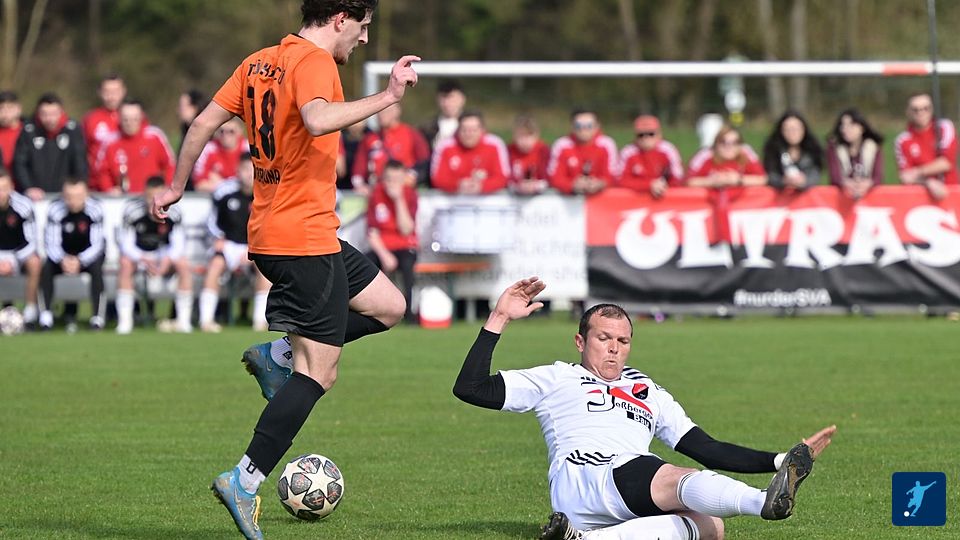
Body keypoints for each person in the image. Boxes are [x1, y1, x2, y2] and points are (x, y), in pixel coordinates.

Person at [149, 2, 418, 538]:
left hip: (283, 233)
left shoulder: (258, 61)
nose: (363, 40)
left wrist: (177, 186)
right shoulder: (316, 62)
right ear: (340, 18)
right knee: (320, 373)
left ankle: (277, 355)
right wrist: (388, 97)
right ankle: (244, 481)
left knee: (390, 306)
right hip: (303, 240)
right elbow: (317, 118)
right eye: (363, 27)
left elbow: (202, 123)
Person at [453, 277, 837, 540]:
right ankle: (761, 502)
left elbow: (705, 447)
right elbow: (471, 388)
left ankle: (583, 539)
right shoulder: (557, 377)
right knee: (672, 475)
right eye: (603, 338)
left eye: (623, 341)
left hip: (626, 490)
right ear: (580, 342)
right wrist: (499, 318)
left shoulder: (646, 389)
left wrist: (781, 460)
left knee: (710, 526)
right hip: (583, 478)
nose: (614, 348)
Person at [198, 153, 270, 333]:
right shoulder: (224, 191)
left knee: (265, 270)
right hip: (229, 244)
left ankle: (259, 321)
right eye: (245, 169)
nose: (249, 174)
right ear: (238, 171)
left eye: (253, 170)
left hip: (256, 246)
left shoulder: (267, 192)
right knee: (215, 265)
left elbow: (271, 224)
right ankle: (206, 320)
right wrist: (218, 239)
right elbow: (211, 221)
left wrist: (254, 247)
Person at [117, 176, 193, 335]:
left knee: (183, 264)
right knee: (125, 263)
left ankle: (184, 321)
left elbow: (178, 245)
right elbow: (126, 245)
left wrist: (166, 260)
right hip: (140, 256)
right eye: (150, 197)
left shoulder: (175, 213)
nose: (155, 203)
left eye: (159, 198)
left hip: (164, 256)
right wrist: (142, 258)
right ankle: (125, 323)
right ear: (144, 194)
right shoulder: (131, 210)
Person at [39, 178, 106, 332]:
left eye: (78, 196)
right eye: (69, 197)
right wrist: (63, 260)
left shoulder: (96, 209)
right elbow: (51, 243)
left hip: (88, 255)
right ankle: (45, 317)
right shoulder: (55, 209)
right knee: (46, 268)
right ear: (63, 195)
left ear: (86, 195)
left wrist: (80, 261)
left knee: (97, 268)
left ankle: (97, 318)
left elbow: (97, 244)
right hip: (63, 255)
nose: (73, 201)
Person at [366, 160, 418, 323]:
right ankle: (372, 312)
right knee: (366, 263)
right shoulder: (376, 194)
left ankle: (409, 314)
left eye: (397, 180)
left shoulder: (410, 194)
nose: (392, 184)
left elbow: (406, 229)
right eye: (389, 179)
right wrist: (385, 255)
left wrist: (398, 199)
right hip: (383, 247)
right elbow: (372, 232)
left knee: (408, 264)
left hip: (404, 246)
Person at [13, 93, 87, 201]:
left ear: (61, 112)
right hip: (35, 198)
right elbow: (20, 163)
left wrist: (76, 187)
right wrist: (28, 187)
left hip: (66, 197)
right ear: (38, 113)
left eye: (53, 114)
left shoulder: (73, 129)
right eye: (44, 114)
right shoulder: (28, 130)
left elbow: (80, 162)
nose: (49, 118)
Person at [94, 100, 175, 194]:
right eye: (126, 119)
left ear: (141, 117)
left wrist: (167, 187)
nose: (130, 123)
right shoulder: (110, 142)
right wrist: (108, 189)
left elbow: (170, 165)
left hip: (152, 197)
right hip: (122, 199)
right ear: (119, 118)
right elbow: (101, 172)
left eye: (134, 119)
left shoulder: (154, 136)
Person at [350, 103, 429, 194]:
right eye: (379, 111)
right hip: (377, 193)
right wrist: (359, 185)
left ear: (397, 111)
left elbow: (425, 162)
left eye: (386, 111)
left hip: (403, 192)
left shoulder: (411, 134)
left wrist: (412, 176)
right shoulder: (369, 138)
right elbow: (358, 169)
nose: (381, 115)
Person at [895, 92, 957, 200]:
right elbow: (906, 177)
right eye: (915, 110)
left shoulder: (944, 127)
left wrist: (917, 172)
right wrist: (928, 182)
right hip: (919, 199)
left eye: (925, 108)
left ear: (932, 109)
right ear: (908, 112)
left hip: (951, 193)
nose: (921, 113)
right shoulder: (902, 140)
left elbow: (946, 162)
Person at [430, 110, 509, 194]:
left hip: (489, 199)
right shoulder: (445, 146)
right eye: (464, 130)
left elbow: (502, 177)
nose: (469, 134)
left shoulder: (495, 145)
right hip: (453, 199)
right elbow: (437, 178)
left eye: (473, 130)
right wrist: (458, 185)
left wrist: (482, 186)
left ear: (482, 130)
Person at [0, 168, 41, 327]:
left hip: (18, 254)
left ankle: (30, 312)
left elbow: (31, 241)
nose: (0, 194)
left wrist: (12, 262)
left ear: (11, 187)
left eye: (4, 189)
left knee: (35, 262)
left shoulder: (24, 206)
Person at [548, 109, 619, 195]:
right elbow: (554, 177)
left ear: (597, 126)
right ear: (572, 127)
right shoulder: (562, 145)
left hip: (601, 199)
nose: (583, 130)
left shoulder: (607, 144)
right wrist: (572, 185)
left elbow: (613, 176)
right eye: (578, 126)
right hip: (569, 199)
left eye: (589, 126)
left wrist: (600, 184)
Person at [617, 115, 683, 198]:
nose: (646, 138)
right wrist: (649, 185)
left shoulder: (668, 150)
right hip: (635, 200)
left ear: (659, 135)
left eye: (651, 134)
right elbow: (621, 180)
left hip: (665, 199)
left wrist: (662, 186)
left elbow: (678, 178)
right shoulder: (628, 152)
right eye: (641, 135)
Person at [826, 108, 884, 201]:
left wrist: (867, 184)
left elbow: (877, 176)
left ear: (862, 128)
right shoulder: (834, 147)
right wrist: (848, 183)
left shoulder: (873, 147)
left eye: (851, 125)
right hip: (841, 199)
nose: (846, 129)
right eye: (843, 125)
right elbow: (835, 176)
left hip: (869, 199)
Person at [762, 111, 823, 192]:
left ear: (804, 129)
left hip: (807, 197)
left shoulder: (812, 152)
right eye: (787, 129)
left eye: (796, 129)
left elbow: (815, 175)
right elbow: (770, 175)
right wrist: (783, 181)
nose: (792, 133)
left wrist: (804, 181)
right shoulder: (774, 151)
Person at [82, 74, 127, 183]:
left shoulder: (133, 117)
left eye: (116, 91)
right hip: (97, 184)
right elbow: (82, 152)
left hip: (129, 182)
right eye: (107, 92)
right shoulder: (91, 119)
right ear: (100, 92)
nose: (111, 96)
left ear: (123, 91)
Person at [192, 117, 250, 192]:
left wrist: (222, 184)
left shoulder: (248, 148)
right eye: (222, 131)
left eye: (231, 131)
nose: (225, 135)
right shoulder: (208, 150)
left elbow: (253, 182)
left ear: (240, 131)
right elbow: (199, 184)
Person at [507, 114, 551, 196]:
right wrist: (517, 186)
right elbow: (505, 177)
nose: (525, 141)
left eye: (529, 136)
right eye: (521, 136)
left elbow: (549, 177)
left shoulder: (543, 151)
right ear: (514, 136)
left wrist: (536, 186)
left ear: (537, 135)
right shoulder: (509, 151)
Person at [421, 79, 466, 151]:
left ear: (462, 99)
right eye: (443, 98)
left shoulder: (473, 126)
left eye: (452, 97)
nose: (447, 103)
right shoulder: (428, 129)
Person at [0, 91, 23, 185]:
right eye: (1, 108)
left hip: (24, 187)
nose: (5, 112)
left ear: (19, 109)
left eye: (9, 107)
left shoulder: (29, 132)